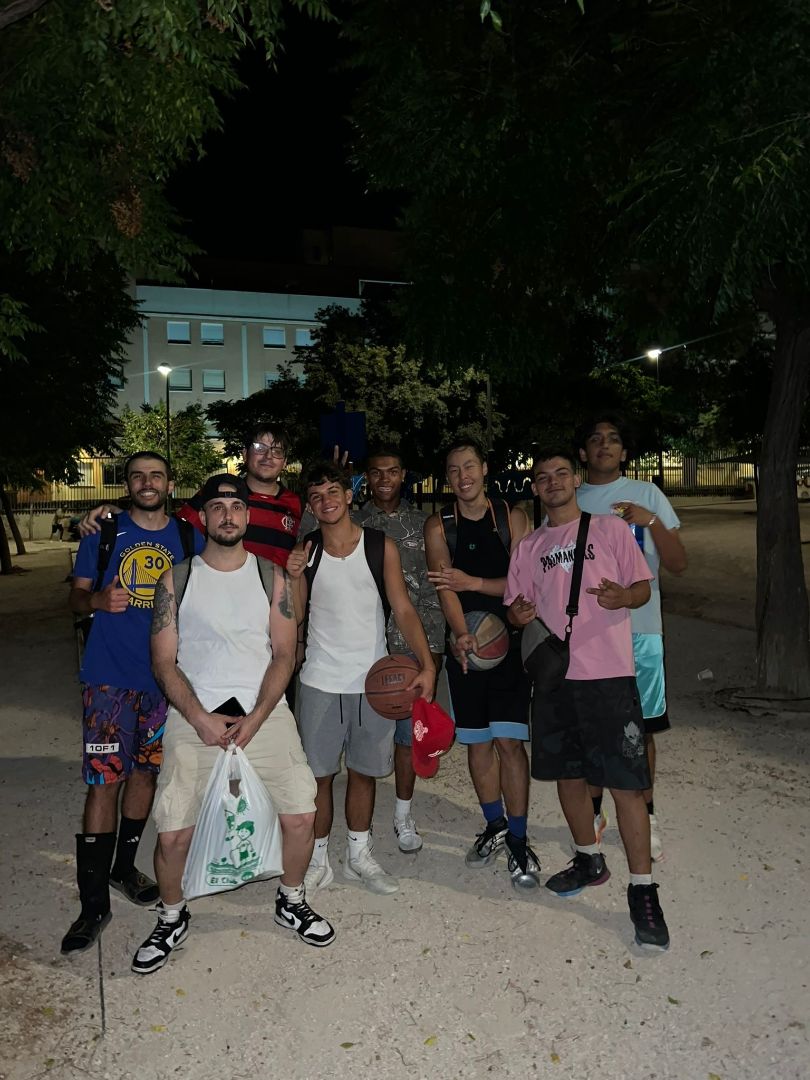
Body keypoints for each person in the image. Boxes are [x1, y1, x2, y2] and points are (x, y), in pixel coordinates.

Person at [132, 473, 334, 975]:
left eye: (236, 506)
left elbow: (284, 654)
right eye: (218, 506)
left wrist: (260, 716)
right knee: (174, 830)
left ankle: (290, 898)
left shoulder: (273, 578)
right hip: (193, 716)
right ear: (202, 517)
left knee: (300, 815)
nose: (227, 514)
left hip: (262, 712)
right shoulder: (176, 579)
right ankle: (173, 913)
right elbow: (164, 662)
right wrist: (198, 718)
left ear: (247, 516)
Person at [506, 448, 670, 951]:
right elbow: (515, 608)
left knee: (624, 784)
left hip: (608, 675)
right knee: (569, 774)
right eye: (542, 477)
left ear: (575, 480)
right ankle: (587, 857)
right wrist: (519, 613)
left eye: (560, 474)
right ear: (535, 488)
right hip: (555, 680)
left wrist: (625, 597)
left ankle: (643, 891)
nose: (552, 482)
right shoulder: (530, 545)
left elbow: (643, 586)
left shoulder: (611, 530)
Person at [61, 452, 204, 955]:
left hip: (164, 683)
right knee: (105, 783)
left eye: (157, 475)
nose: (148, 483)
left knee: (145, 775)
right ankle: (93, 903)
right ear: (128, 484)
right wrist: (97, 602)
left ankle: (124, 868)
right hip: (108, 682)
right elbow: (76, 597)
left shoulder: (189, 537)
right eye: (139, 476)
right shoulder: (101, 533)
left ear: (170, 482)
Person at [286, 461, 435, 897]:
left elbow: (403, 609)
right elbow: (294, 615)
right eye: (316, 497)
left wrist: (425, 664)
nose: (326, 501)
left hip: (373, 681)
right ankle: (317, 859)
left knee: (364, 773)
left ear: (350, 496)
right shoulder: (306, 549)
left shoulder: (380, 546)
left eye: (333, 491)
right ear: (311, 507)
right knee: (319, 778)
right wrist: (293, 575)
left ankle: (358, 854)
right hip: (319, 680)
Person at [424, 439, 539, 889]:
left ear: (485, 468)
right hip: (467, 648)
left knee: (509, 744)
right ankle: (494, 825)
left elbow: (524, 582)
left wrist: (473, 580)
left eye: (469, 466)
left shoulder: (512, 518)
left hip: (508, 644)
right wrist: (459, 633)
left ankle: (519, 838)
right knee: (477, 744)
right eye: (453, 470)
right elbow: (442, 586)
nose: (462, 476)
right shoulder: (441, 526)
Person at [576, 415, 687, 860]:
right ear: (582, 453)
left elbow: (677, 563)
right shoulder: (571, 497)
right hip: (585, 635)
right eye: (595, 439)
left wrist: (652, 521)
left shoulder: (647, 495)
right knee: (591, 728)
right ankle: (596, 812)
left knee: (641, 729)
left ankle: (648, 813)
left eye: (614, 439)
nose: (605, 445)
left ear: (624, 452)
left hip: (641, 632)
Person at [355, 446, 445, 854]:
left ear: (403, 474)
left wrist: (433, 654)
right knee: (368, 738)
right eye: (376, 472)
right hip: (365, 644)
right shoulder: (352, 522)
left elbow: (433, 591)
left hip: (415, 643)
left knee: (409, 737)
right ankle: (361, 823)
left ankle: (403, 814)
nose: (385, 479)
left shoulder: (425, 524)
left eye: (392, 471)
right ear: (366, 477)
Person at [78, 425, 303, 568]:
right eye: (259, 447)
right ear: (245, 454)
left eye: (277, 451)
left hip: (276, 607)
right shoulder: (216, 496)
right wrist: (118, 513)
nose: (268, 456)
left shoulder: (297, 504)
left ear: (284, 461)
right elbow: (170, 527)